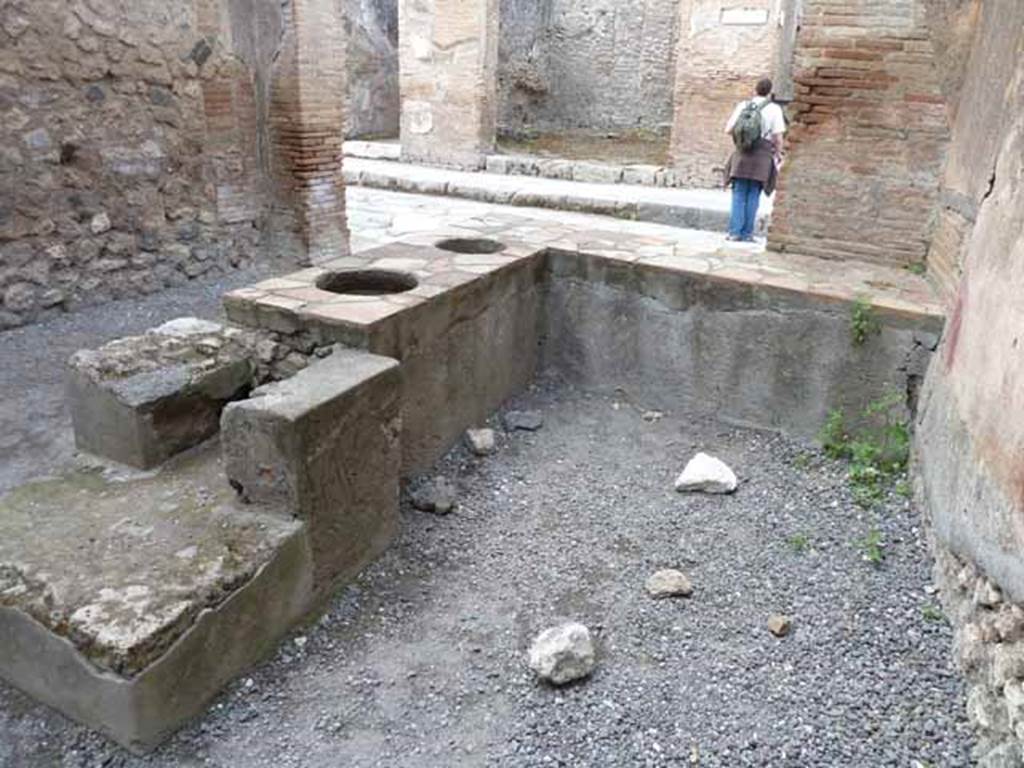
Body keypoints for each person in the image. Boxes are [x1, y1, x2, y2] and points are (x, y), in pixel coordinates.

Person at [723, 78, 786, 242]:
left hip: (742, 154)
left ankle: (734, 232)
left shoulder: (743, 106)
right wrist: (778, 154)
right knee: (753, 195)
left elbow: (728, 130)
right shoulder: (774, 109)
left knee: (738, 193)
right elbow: (778, 137)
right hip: (762, 156)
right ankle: (747, 234)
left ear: (755, 90)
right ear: (770, 92)